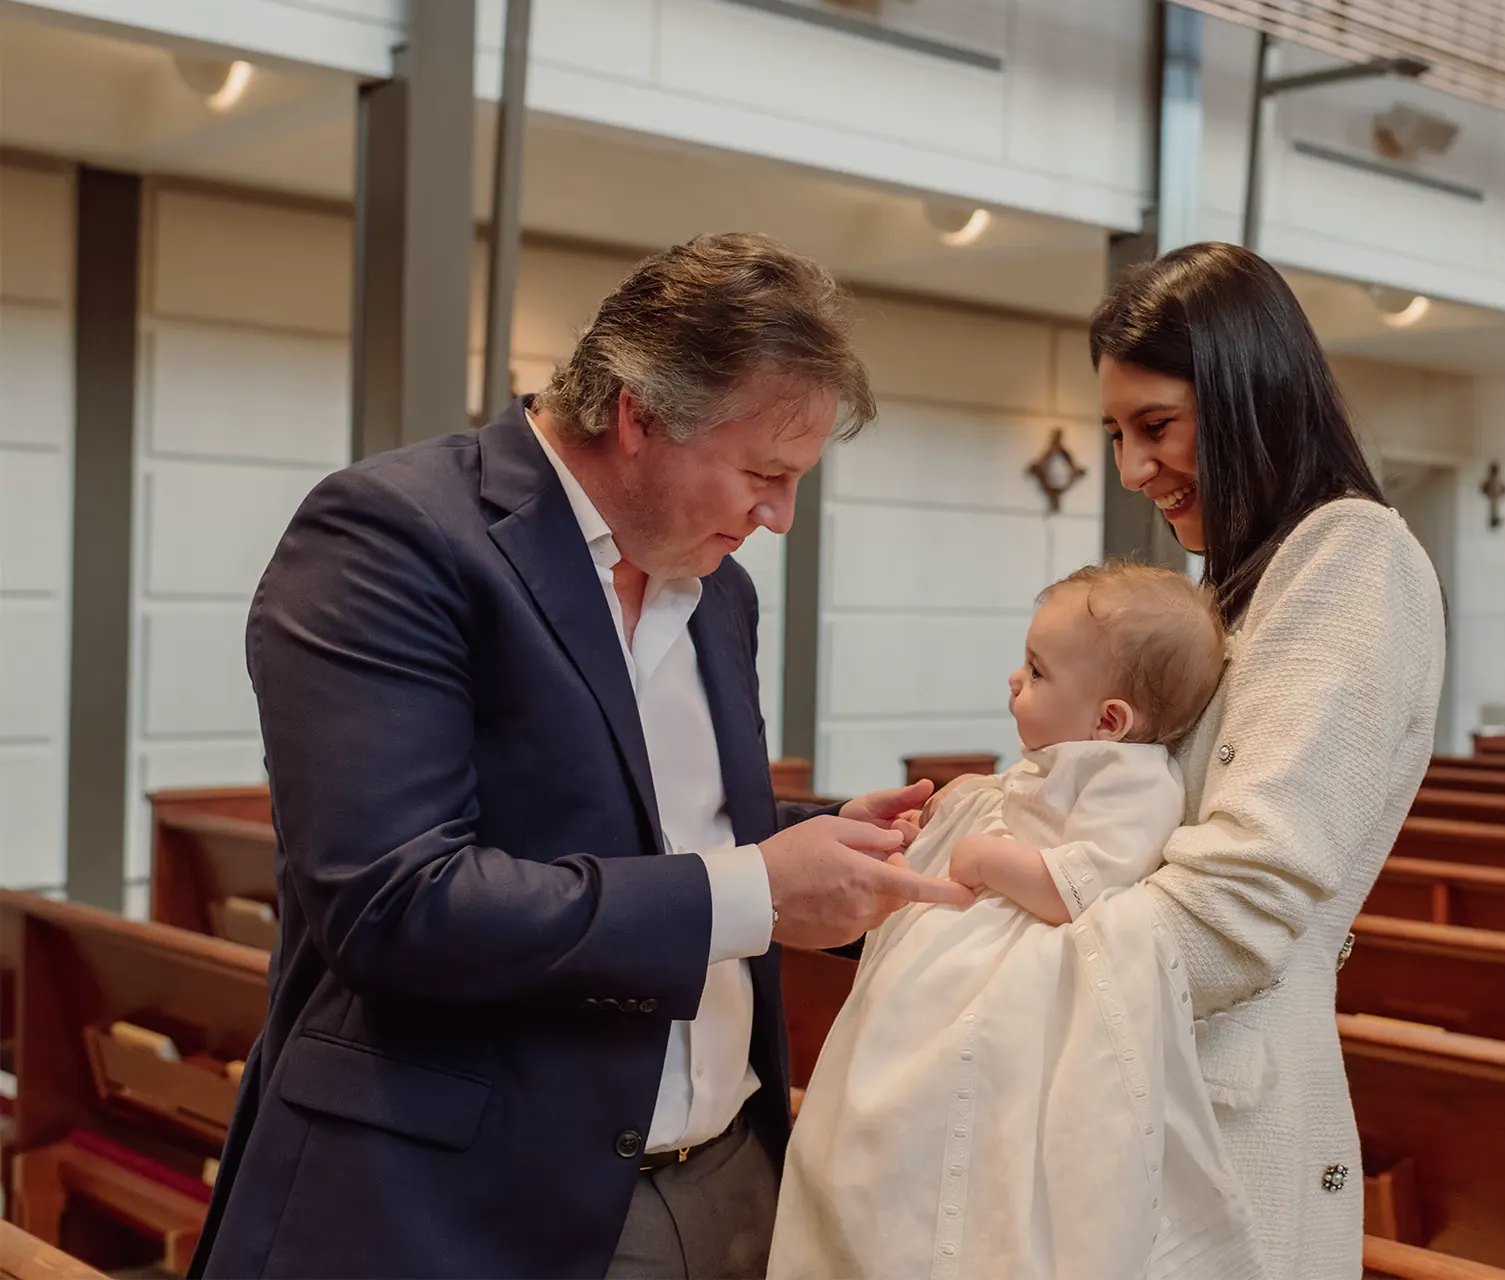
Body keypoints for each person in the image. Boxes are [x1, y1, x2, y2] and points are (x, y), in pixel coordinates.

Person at [190, 233, 972, 1280]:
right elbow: (393, 902)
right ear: (640, 415)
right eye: (762, 473)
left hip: (733, 1167)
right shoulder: (396, 534)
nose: (778, 516)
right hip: (472, 1201)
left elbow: (650, 828)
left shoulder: (717, 589)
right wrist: (757, 890)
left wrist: (817, 845)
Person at [1089, 242, 1447, 1276]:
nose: (1132, 468)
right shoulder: (1242, 580)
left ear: (1252, 392)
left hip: (1234, 1106)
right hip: (1163, 1069)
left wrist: (1010, 969)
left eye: (1156, 426)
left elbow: (1242, 895)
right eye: (1116, 432)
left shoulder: (1351, 559)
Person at [769, 561, 1262, 1280]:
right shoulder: (1057, 761)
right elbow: (1020, 805)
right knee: (883, 1101)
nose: (1013, 681)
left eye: (1036, 671)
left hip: (1017, 984)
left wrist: (981, 859)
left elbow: (1080, 885)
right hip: (953, 962)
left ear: (1109, 720)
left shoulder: (1136, 783)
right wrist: (967, 802)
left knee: (959, 1110)